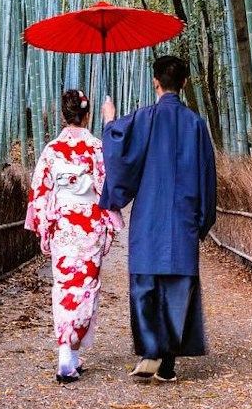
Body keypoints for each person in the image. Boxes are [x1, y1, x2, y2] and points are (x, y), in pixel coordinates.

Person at [99, 55, 217, 382]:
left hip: (150, 215)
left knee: (146, 283)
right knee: (178, 287)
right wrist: (203, 218)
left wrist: (109, 121)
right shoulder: (196, 124)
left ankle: (151, 351)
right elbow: (208, 175)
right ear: (184, 83)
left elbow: (118, 152)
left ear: (155, 82)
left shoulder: (143, 119)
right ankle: (167, 365)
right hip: (182, 217)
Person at [24, 89, 123, 383]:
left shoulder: (52, 150)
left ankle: (69, 354)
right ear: (87, 115)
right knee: (86, 287)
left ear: (63, 115)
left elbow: (40, 193)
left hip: (64, 225)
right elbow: (109, 187)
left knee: (65, 285)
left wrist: (45, 227)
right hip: (89, 223)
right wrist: (111, 123)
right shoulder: (96, 148)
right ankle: (69, 353)